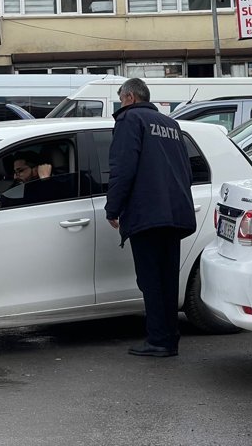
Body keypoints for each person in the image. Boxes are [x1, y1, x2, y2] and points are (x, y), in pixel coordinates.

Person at [105, 78, 196, 358]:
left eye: (121, 99)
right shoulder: (170, 124)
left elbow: (122, 167)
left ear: (130, 97)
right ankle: (170, 338)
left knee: (150, 280)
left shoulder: (130, 121)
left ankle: (159, 340)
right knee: (167, 278)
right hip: (174, 212)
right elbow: (186, 170)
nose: (121, 104)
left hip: (148, 212)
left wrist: (113, 208)